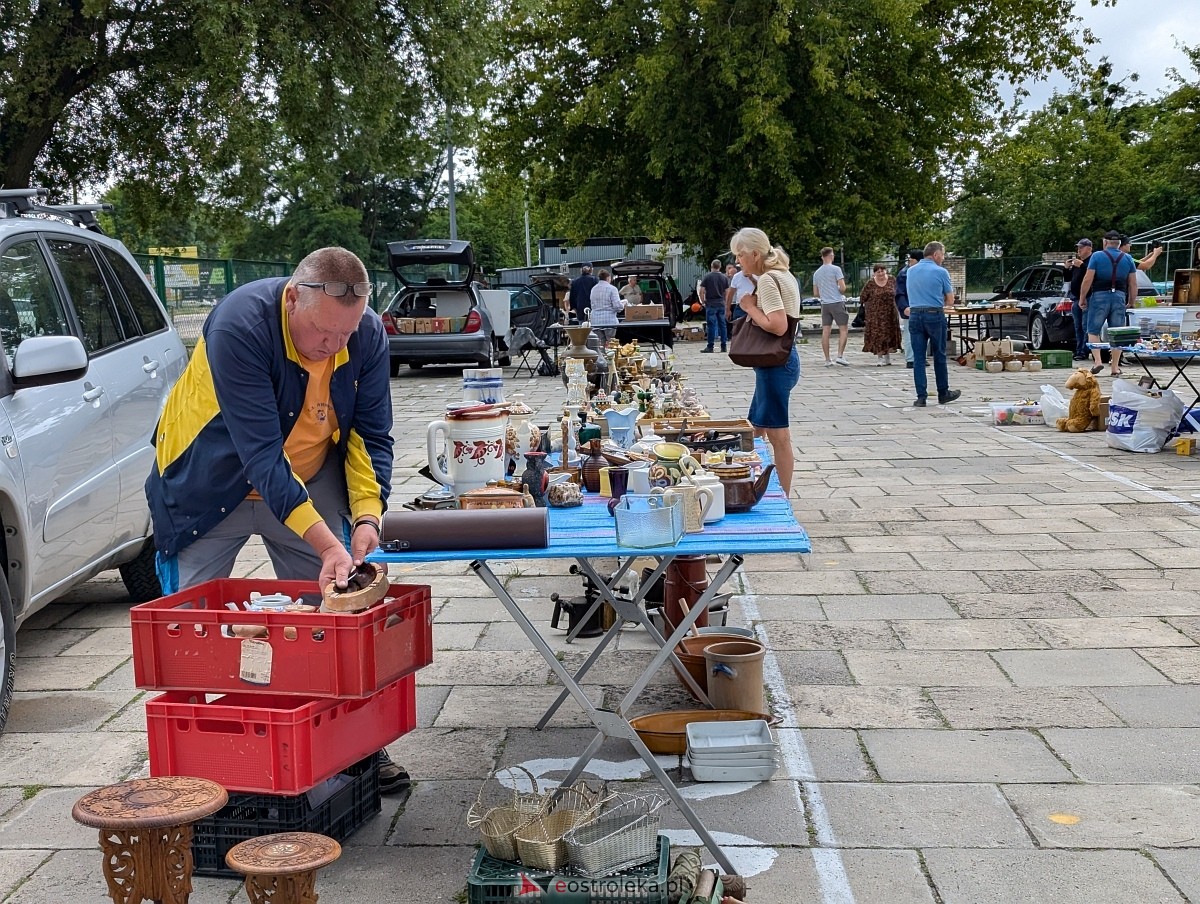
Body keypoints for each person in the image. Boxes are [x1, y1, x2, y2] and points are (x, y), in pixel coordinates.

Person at [145, 246, 410, 796]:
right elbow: (261, 456)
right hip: (209, 476)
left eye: (344, 336)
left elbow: (370, 435)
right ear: (293, 298)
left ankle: (352, 747)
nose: (332, 348)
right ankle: (206, 757)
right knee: (195, 628)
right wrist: (326, 542)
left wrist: (366, 518)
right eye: (321, 335)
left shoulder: (363, 335)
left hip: (306, 477)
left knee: (330, 613)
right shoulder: (240, 324)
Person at [729, 228, 801, 497]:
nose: (738, 261)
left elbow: (778, 325)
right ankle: (750, 483)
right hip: (783, 360)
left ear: (755, 254)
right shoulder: (783, 274)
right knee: (756, 428)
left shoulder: (770, 279)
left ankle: (782, 496)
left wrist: (749, 307)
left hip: (776, 365)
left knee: (778, 436)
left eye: (740, 255)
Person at [904, 241, 960, 407]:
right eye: (942, 255)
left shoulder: (910, 271)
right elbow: (950, 300)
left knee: (919, 358)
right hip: (934, 315)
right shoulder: (941, 271)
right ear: (936, 254)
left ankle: (921, 396)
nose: (943, 258)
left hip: (915, 315)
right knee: (939, 355)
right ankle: (943, 392)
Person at [1080, 230, 1137, 376]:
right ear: (1119, 244)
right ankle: (1115, 367)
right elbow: (1133, 283)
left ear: (1105, 242)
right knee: (1117, 333)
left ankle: (1098, 361)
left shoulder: (1097, 256)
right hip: (1119, 297)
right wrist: (1131, 301)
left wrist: (1082, 298)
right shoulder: (1128, 258)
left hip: (1099, 296)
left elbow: (1088, 279)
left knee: (1093, 330)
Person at [813, 247, 849, 366]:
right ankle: (840, 355)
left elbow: (816, 293)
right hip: (837, 302)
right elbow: (843, 288)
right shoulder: (836, 269)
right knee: (843, 329)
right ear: (831, 256)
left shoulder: (817, 273)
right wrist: (837, 290)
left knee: (826, 330)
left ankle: (827, 359)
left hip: (825, 304)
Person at [860, 264, 902, 365]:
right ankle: (879, 357)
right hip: (875, 314)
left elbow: (898, 292)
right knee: (878, 335)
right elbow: (863, 297)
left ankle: (887, 356)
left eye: (882, 271)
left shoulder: (892, 279)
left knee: (889, 334)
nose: (881, 273)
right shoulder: (870, 283)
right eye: (878, 272)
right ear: (874, 273)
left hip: (890, 313)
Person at [1063, 238, 1094, 360]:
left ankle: (1083, 351)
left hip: (1088, 297)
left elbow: (1092, 275)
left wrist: (1082, 266)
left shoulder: (1091, 262)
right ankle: (1079, 349)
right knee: (1078, 326)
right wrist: (1066, 268)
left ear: (1089, 248)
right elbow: (1068, 279)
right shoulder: (1078, 263)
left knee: (1085, 325)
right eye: (1078, 248)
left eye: (1081, 248)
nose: (1079, 250)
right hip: (1076, 298)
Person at [894, 249, 921, 369]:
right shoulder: (904, 273)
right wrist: (904, 307)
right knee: (909, 333)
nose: (910, 261)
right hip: (909, 307)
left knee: (922, 334)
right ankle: (910, 358)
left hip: (920, 306)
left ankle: (920, 357)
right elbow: (900, 293)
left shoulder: (919, 272)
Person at [699, 259, 730, 353]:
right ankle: (723, 346)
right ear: (720, 267)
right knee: (723, 325)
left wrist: (703, 301)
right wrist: (725, 301)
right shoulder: (724, 277)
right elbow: (727, 292)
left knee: (711, 325)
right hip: (721, 303)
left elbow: (702, 290)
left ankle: (710, 346)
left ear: (711, 266)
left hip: (711, 303)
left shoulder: (707, 277)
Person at [588, 268, 625, 345]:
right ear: (608, 278)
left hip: (596, 321)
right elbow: (617, 306)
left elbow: (592, 304)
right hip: (609, 321)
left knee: (600, 345)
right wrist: (624, 304)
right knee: (611, 344)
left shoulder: (593, 289)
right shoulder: (612, 289)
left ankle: (601, 356)